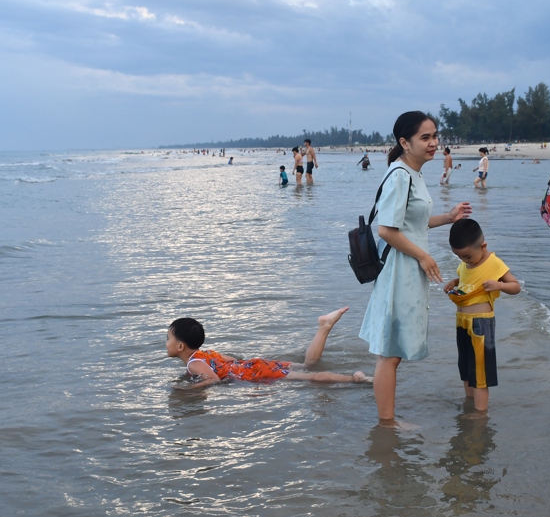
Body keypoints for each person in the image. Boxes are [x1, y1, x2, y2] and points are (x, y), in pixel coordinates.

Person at [358, 111, 472, 426]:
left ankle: (388, 419)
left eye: (435, 136)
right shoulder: (400, 175)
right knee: (390, 352)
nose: (434, 143)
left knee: (393, 350)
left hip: (407, 269)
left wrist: (448, 217)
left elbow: (412, 223)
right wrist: (424, 256)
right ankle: (387, 423)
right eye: (425, 137)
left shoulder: (413, 172)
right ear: (404, 142)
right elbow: (386, 230)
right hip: (400, 270)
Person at [166, 307, 372, 388]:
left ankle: (352, 379)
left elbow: (214, 378)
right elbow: (229, 360)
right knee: (307, 365)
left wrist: (188, 389)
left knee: (310, 377)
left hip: (255, 371)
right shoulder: (206, 353)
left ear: (181, 346)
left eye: (168, 339)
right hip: (255, 364)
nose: (166, 343)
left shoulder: (194, 364)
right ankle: (324, 327)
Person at [442, 219, 521, 411]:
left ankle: (480, 414)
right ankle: (470, 405)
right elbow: (466, 278)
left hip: (480, 325)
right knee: (467, 370)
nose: (464, 261)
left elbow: (516, 286)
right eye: (459, 257)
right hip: (462, 322)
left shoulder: (494, 263)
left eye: (468, 257)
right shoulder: (464, 265)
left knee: (480, 374)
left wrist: (500, 285)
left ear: (483, 246)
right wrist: (455, 281)